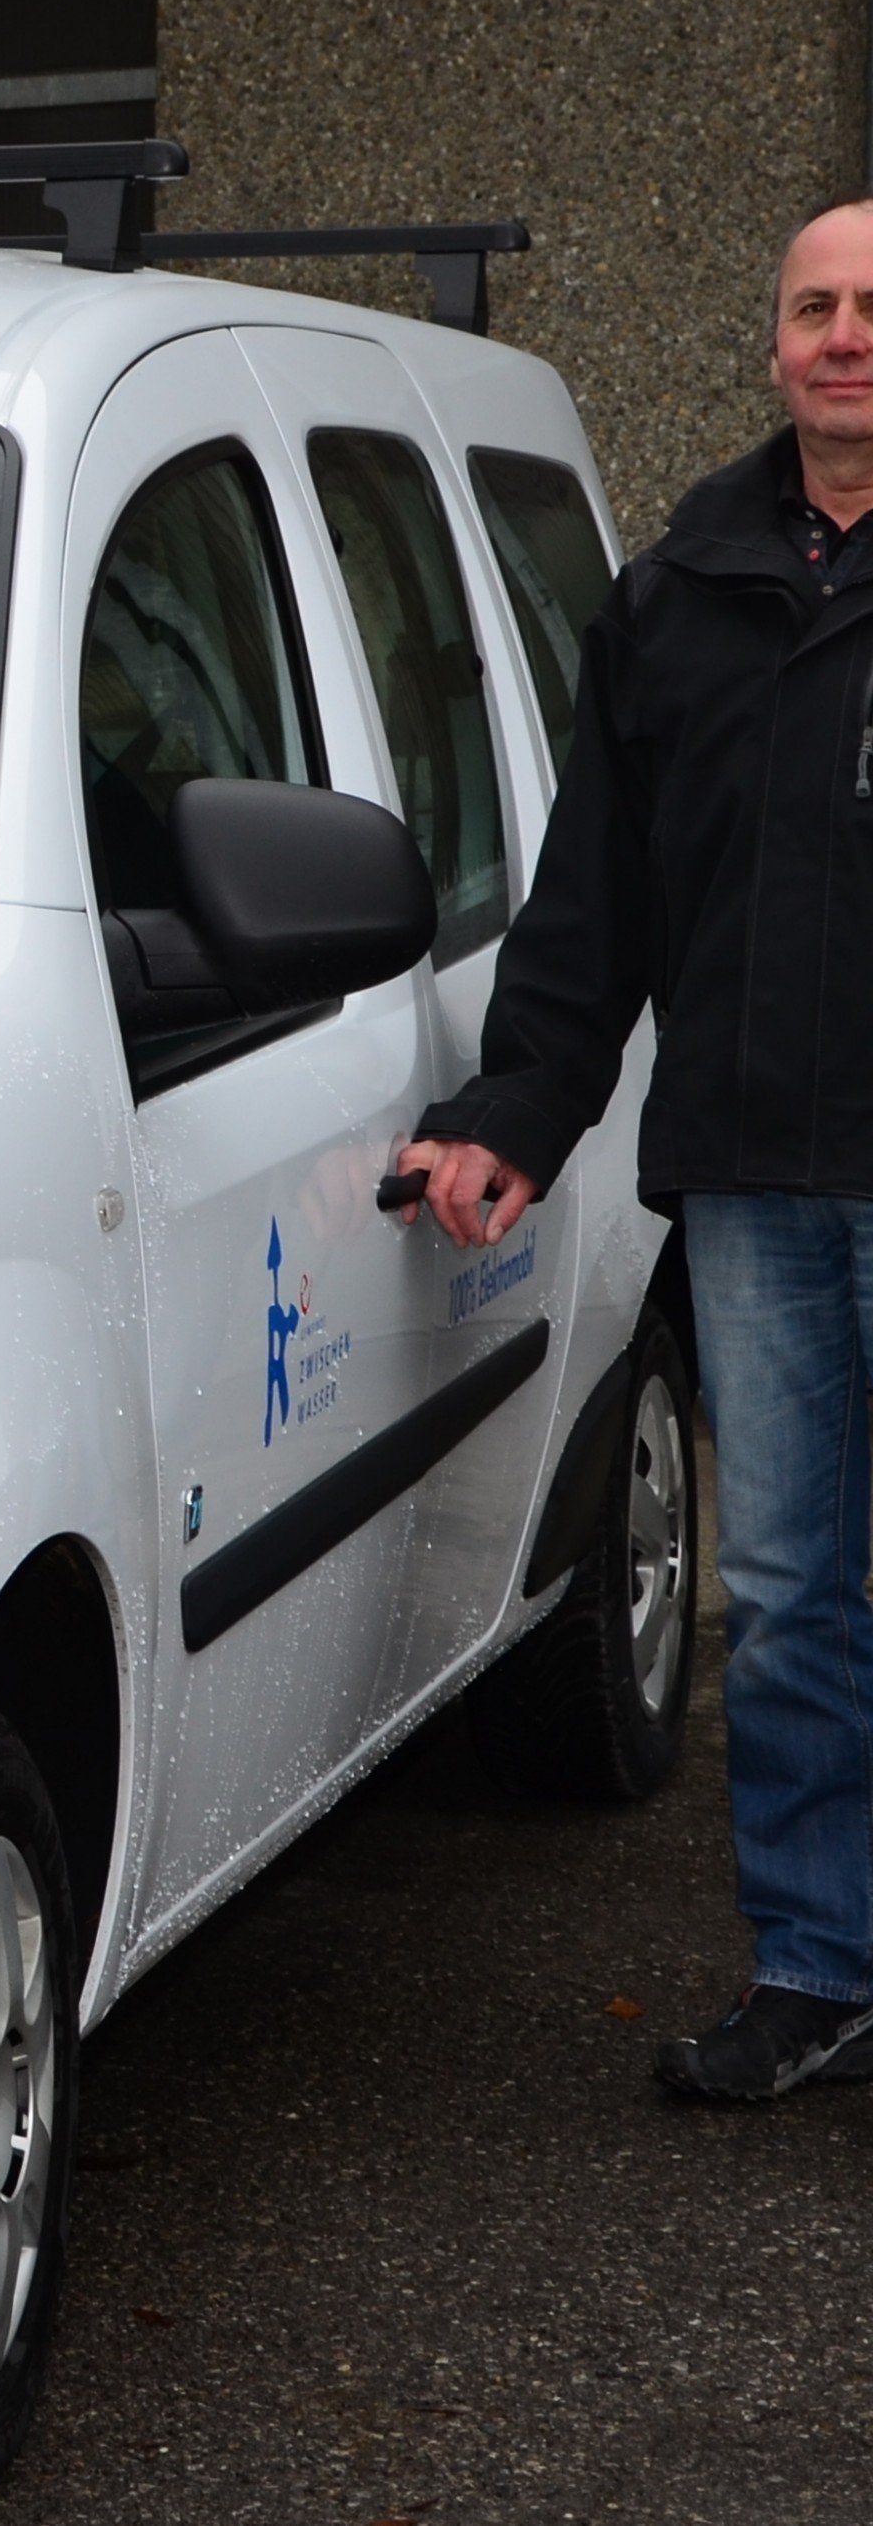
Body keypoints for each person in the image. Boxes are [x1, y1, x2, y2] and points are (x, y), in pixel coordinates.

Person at [400, 194, 873, 2100]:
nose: (846, 337)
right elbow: (590, 896)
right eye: (815, 307)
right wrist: (517, 1112)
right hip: (755, 1182)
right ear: (771, 344)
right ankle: (824, 1967)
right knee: (784, 1592)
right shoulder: (677, 596)